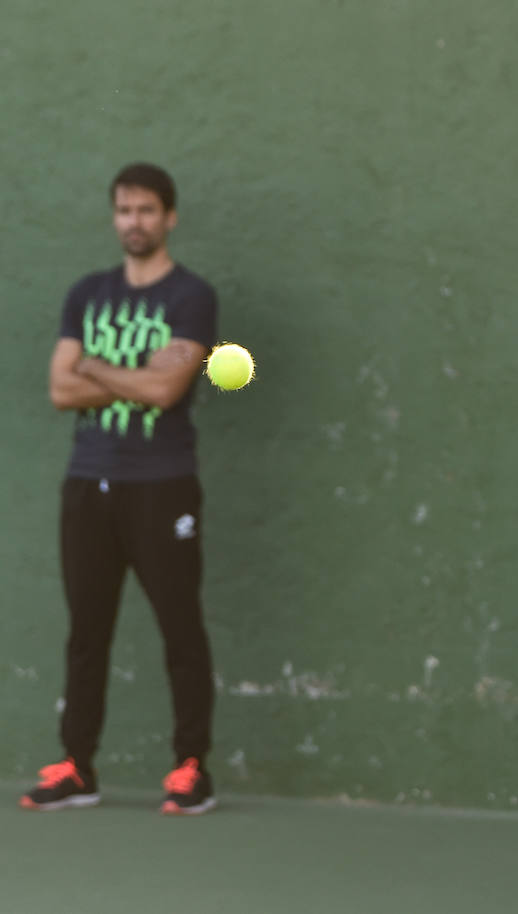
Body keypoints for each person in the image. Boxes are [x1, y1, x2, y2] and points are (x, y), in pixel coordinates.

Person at [23, 163, 220, 816]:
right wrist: (134, 373)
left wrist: (97, 366)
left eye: (146, 211)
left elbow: (167, 390)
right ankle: (77, 766)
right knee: (87, 631)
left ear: (170, 218)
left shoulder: (191, 297)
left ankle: (190, 767)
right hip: (88, 485)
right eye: (124, 211)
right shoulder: (88, 293)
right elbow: (60, 390)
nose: (133, 222)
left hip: (162, 487)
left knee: (179, 627)